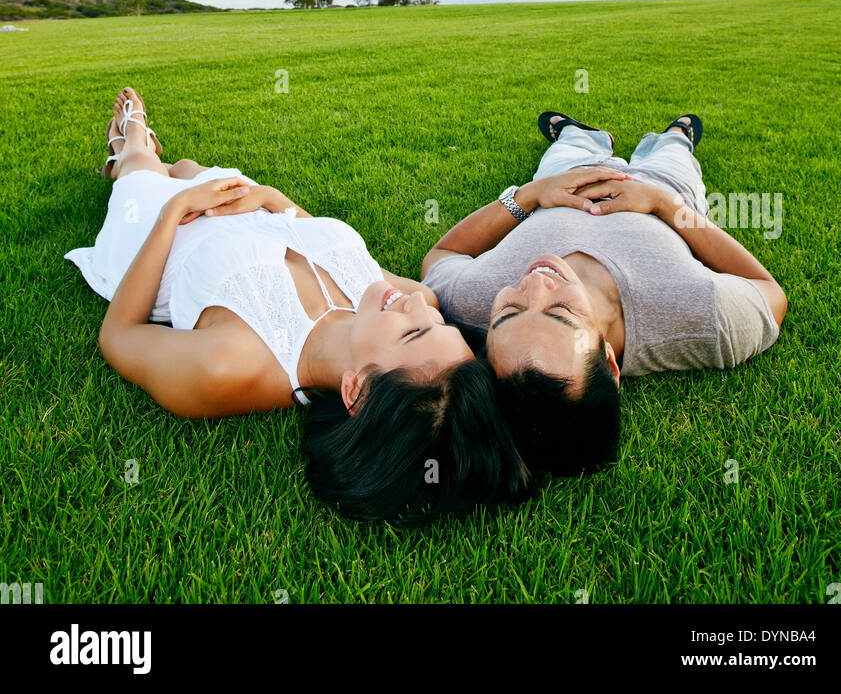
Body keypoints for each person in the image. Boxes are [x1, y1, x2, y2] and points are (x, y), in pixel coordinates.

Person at [65, 88, 528, 522]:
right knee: (185, 163)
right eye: (440, 323)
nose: (420, 306)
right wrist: (270, 198)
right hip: (247, 204)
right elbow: (313, 238)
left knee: (145, 164)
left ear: (356, 390)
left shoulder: (231, 366)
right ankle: (152, 163)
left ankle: (129, 144)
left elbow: (119, 335)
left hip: (154, 231)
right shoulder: (394, 302)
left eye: (414, 331)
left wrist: (174, 210)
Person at [421, 111, 787, 478]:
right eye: (561, 312)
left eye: (510, 310)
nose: (536, 283)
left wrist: (531, 195)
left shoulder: (472, 302)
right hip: (666, 184)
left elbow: (442, 257)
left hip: (566, 178)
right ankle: (675, 135)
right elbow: (769, 292)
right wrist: (662, 204)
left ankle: (584, 135)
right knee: (673, 150)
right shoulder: (703, 317)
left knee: (569, 147)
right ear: (609, 363)